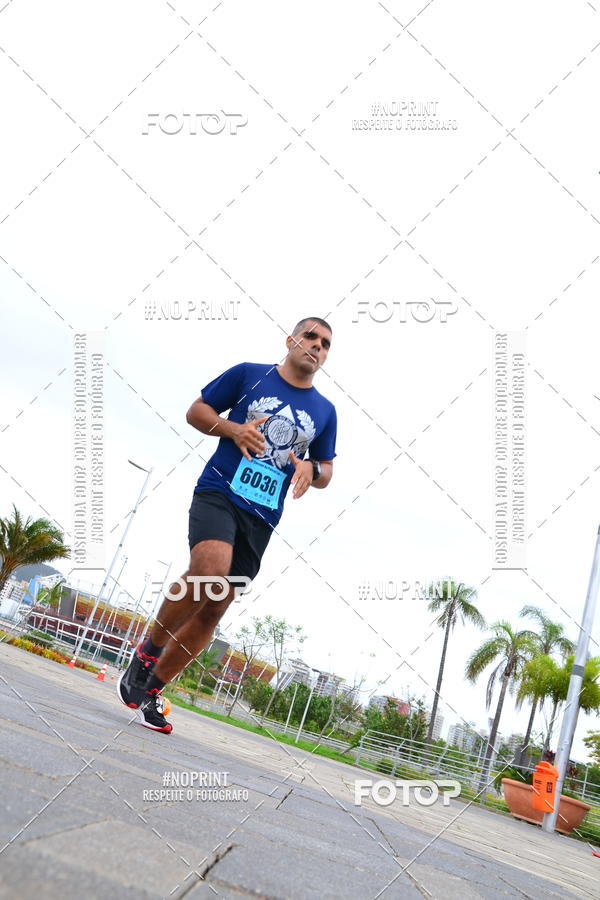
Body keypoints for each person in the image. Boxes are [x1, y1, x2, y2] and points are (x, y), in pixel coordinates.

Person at [117, 317, 337, 732]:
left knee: (215, 605)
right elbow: (196, 411)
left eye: (325, 344)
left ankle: (152, 688)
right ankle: (147, 653)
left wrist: (312, 470)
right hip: (220, 492)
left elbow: (326, 471)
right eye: (310, 337)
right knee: (209, 571)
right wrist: (234, 429)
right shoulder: (250, 376)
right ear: (291, 340)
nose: (317, 347)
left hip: (263, 516)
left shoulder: (326, 412)